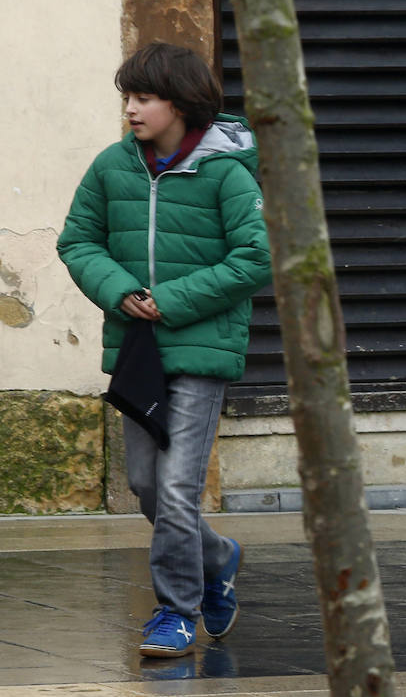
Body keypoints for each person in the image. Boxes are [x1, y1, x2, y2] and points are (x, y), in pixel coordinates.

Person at [58, 42, 273, 658]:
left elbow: (255, 259)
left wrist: (171, 300)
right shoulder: (110, 167)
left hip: (201, 350)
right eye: (126, 97)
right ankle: (219, 555)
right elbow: (78, 241)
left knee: (177, 489)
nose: (130, 109)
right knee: (147, 487)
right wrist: (122, 292)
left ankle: (176, 611)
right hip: (138, 351)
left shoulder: (227, 172)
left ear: (179, 103)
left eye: (143, 97)